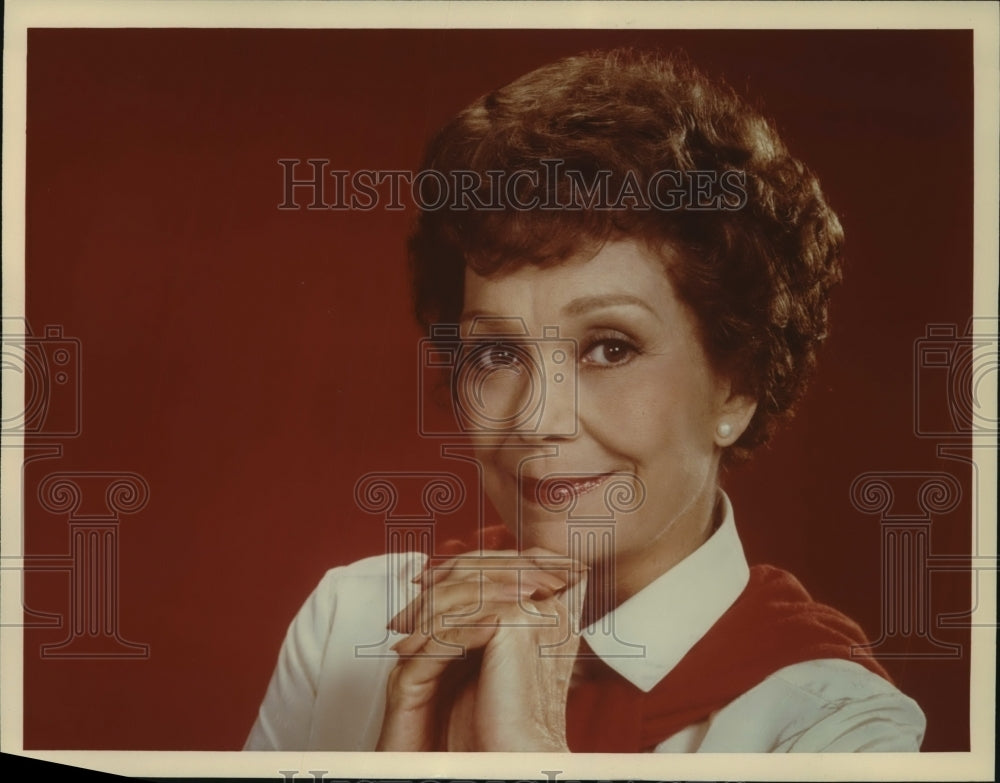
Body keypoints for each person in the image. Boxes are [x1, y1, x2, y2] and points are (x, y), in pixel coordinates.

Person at [244, 49, 926, 753]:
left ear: (738, 384)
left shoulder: (839, 729)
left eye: (610, 347)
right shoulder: (353, 624)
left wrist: (529, 751)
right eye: (498, 353)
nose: (537, 419)